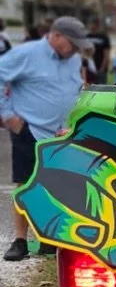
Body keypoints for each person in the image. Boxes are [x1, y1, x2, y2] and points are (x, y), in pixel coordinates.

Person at [0, 15, 92, 260]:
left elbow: (75, 87)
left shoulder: (73, 59)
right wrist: (7, 114)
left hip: (61, 132)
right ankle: (20, 240)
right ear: (56, 36)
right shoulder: (27, 54)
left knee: (55, 184)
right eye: (72, 43)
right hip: (29, 129)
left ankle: (48, 239)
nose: (75, 50)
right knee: (25, 184)